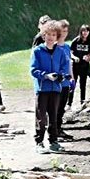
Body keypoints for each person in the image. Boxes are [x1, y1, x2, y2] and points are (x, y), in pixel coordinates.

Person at [30, 20, 66, 154]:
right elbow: (33, 70)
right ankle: (39, 142)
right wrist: (46, 76)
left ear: (57, 37)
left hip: (56, 88)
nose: (51, 37)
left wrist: (60, 76)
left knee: (54, 115)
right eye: (48, 34)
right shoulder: (37, 51)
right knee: (41, 116)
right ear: (43, 35)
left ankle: (53, 141)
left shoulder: (61, 52)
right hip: (42, 88)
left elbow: (64, 68)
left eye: (53, 35)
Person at [54, 20, 74, 140]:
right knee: (55, 107)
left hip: (66, 81)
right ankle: (53, 130)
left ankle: (59, 129)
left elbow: (69, 63)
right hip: (57, 82)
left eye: (66, 31)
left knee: (62, 107)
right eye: (62, 31)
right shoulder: (54, 47)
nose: (64, 34)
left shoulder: (67, 47)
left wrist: (72, 77)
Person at [70, 24, 90, 106]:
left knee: (83, 86)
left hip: (84, 67)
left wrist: (88, 57)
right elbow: (70, 53)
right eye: (83, 31)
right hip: (75, 67)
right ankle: (69, 103)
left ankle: (82, 102)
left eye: (87, 31)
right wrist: (74, 57)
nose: (85, 33)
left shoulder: (89, 42)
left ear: (89, 32)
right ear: (81, 31)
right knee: (72, 85)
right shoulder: (75, 41)